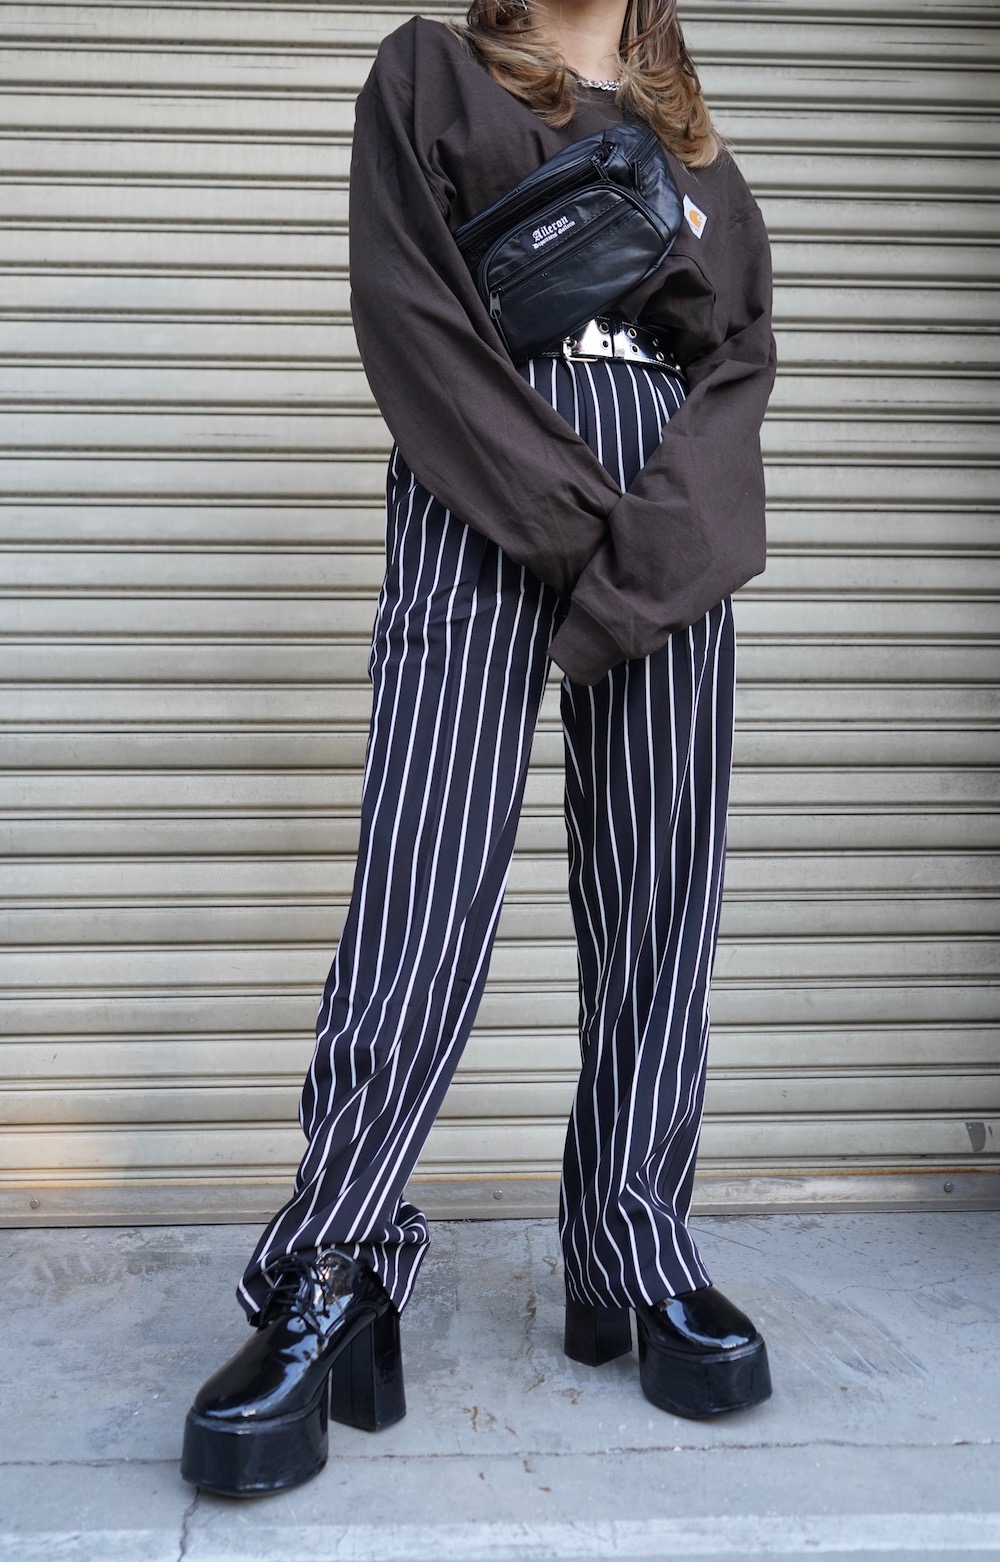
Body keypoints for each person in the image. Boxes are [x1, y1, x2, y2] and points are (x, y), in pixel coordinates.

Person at [181, 0, 778, 1497]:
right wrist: (583, 529)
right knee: (422, 880)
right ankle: (336, 1267)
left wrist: (664, 540)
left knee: (662, 897)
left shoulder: (698, 149)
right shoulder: (431, 74)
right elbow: (415, 317)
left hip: (671, 532)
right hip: (480, 493)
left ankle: (633, 1247)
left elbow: (738, 361)